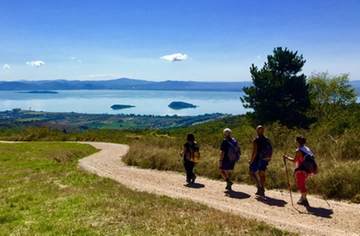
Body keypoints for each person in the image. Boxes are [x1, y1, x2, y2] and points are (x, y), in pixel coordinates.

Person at [282, 136, 312, 206]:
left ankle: (304, 200)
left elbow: (294, 160)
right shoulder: (306, 148)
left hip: (301, 169)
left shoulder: (298, 151)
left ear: (298, 142)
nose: (294, 141)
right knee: (302, 183)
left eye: (295, 140)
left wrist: (286, 157)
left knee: (301, 184)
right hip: (308, 169)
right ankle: (303, 197)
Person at [248, 125, 269, 197]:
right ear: (263, 131)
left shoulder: (256, 140)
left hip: (256, 160)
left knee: (251, 173)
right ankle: (262, 188)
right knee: (262, 175)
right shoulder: (267, 139)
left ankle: (259, 187)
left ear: (257, 131)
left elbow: (255, 152)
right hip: (264, 160)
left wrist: (251, 160)